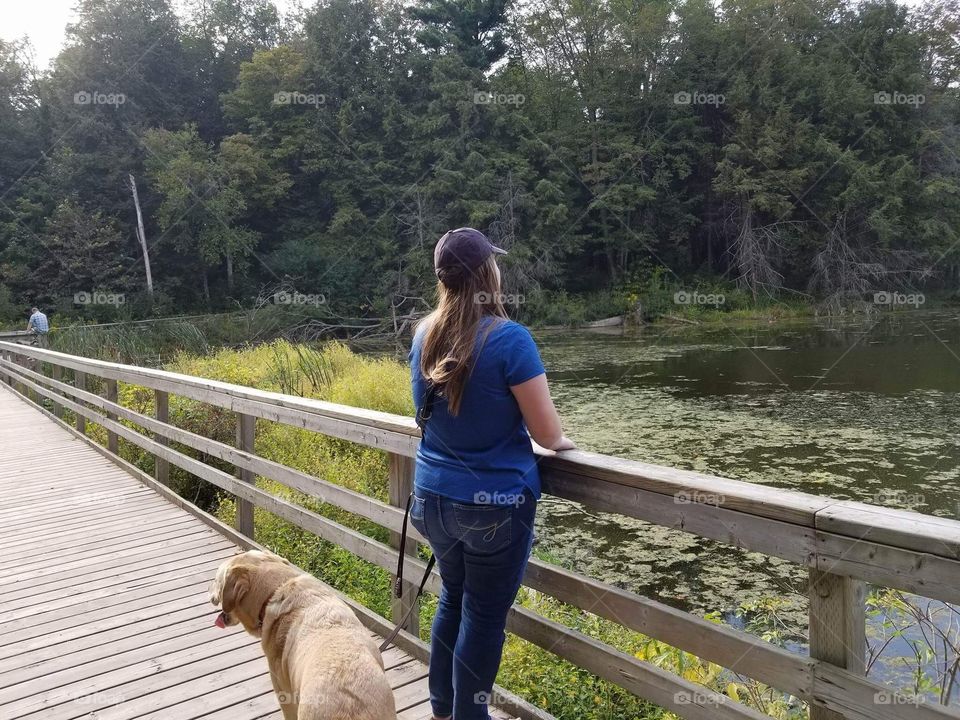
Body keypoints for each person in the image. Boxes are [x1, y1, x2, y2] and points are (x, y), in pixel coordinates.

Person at [408, 228, 575, 720]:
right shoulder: (510, 340)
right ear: (487, 274)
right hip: (493, 508)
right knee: (482, 617)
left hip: (432, 499)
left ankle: (442, 709)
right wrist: (567, 445)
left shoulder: (423, 334)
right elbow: (547, 434)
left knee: (453, 598)